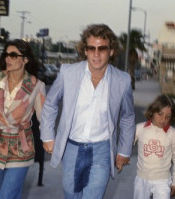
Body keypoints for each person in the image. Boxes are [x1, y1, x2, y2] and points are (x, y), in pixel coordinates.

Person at [40, 24, 135, 198]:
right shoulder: (68, 73)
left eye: (102, 48)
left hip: (102, 150)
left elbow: (128, 117)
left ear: (111, 51)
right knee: (71, 195)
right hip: (72, 148)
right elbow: (50, 103)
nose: (96, 54)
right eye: (91, 48)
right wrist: (47, 135)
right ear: (85, 50)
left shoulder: (123, 81)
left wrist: (124, 150)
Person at [0, 39, 46, 199]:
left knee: (5, 196)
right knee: (7, 193)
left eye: (13, 55)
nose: (8, 59)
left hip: (21, 149)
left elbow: (44, 119)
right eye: (7, 55)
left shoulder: (36, 86)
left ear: (25, 59)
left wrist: (51, 140)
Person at [133, 95, 175, 199]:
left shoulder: (174, 135)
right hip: (142, 178)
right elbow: (125, 145)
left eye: (168, 116)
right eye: (160, 114)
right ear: (152, 111)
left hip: (163, 181)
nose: (163, 119)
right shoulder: (139, 128)